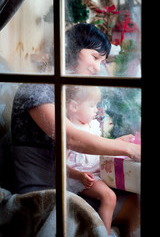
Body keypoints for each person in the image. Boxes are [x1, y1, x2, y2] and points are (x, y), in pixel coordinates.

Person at [11, 24, 140, 236]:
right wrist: (128, 149)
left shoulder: (66, 91)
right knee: (136, 205)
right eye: (95, 57)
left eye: (103, 60)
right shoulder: (37, 86)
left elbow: (81, 135)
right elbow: (70, 137)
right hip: (43, 189)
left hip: (70, 183)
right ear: (72, 49)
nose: (98, 67)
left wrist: (119, 145)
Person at [66, 85, 117, 235]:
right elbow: (59, 164)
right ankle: (104, 233)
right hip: (81, 176)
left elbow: (101, 148)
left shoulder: (93, 126)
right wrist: (78, 175)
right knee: (109, 197)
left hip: (97, 170)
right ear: (74, 106)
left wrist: (120, 142)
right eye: (92, 105)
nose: (96, 110)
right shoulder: (70, 131)